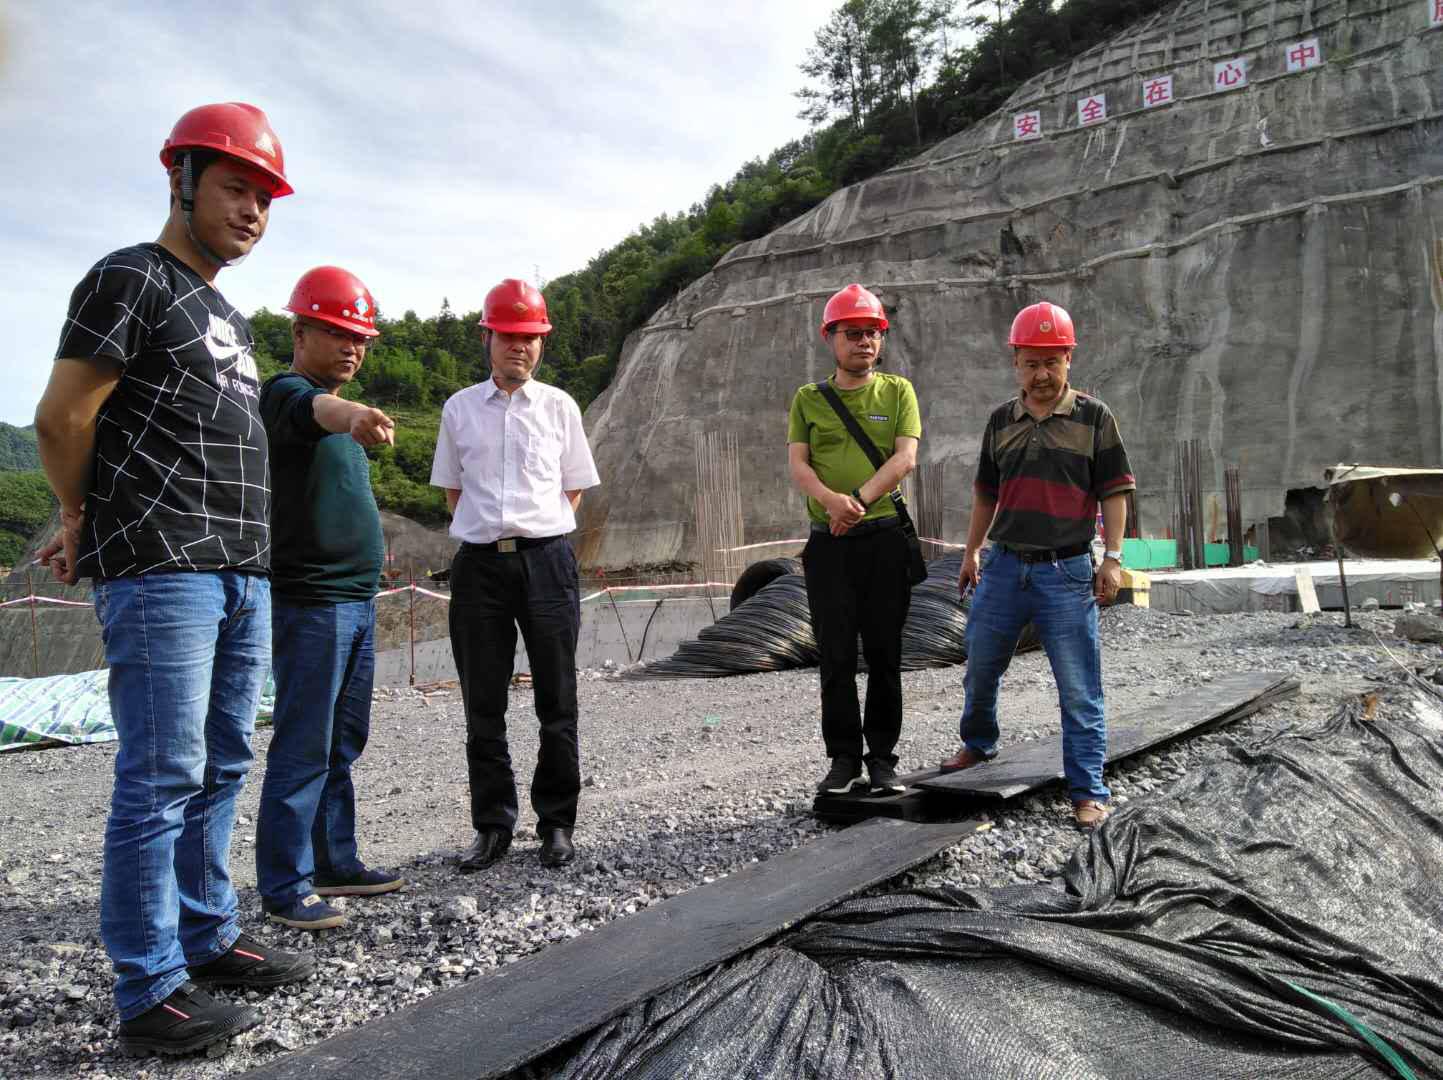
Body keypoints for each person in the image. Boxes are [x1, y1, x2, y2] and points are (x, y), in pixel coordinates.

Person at [32, 103, 312, 1057]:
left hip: (240, 573)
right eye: (236, 187)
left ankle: (207, 935)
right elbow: (64, 419)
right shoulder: (130, 278)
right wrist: (79, 518)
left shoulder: (225, 313)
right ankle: (149, 988)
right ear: (181, 181)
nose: (253, 212)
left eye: (265, 198)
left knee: (225, 760)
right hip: (161, 570)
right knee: (159, 776)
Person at [940, 301, 1135, 829]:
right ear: (1016, 362)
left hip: (1067, 573)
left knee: (1078, 687)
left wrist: (1113, 559)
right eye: (1031, 362)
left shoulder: (1095, 417)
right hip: (1003, 567)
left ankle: (1089, 789)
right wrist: (971, 551)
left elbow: (1115, 492)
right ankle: (979, 744)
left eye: (1052, 361)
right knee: (980, 667)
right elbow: (985, 493)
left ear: (1069, 358)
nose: (1042, 374)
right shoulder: (1001, 420)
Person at [430, 279, 599, 872]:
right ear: (488, 337)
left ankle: (556, 823)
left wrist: (538, 531)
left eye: (531, 338)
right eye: (509, 336)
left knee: (558, 699)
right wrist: (491, 533)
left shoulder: (560, 407)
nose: (520, 347)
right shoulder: (458, 409)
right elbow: (453, 490)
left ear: (541, 344)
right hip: (479, 566)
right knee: (483, 702)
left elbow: (573, 484)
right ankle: (493, 826)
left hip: (548, 561)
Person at [254, 266, 405, 931]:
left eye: (360, 339)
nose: (353, 348)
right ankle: (284, 886)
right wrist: (353, 415)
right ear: (300, 330)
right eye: (339, 333)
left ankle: (333, 861)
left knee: (343, 741)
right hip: (311, 603)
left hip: (355, 600)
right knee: (303, 743)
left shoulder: (339, 420)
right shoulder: (288, 395)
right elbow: (316, 410)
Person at [787, 283, 920, 798]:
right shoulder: (809, 399)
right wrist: (830, 503)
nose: (863, 341)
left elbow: (905, 457)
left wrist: (856, 502)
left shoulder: (898, 392)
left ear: (880, 339)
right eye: (852, 333)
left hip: (883, 539)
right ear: (830, 338)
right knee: (836, 655)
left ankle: (882, 759)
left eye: (871, 333)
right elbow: (799, 463)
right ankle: (843, 759)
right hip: (829, 544)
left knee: (885, 654)